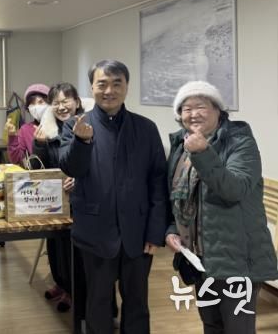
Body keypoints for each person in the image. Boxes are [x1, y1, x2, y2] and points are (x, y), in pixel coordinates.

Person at [59, 60, 168, 334]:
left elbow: (158, 181)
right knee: (97, 303)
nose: (109, 91)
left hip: (138, 233)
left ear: (126, 87)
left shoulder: (146, 128)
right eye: (102, 84)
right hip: (94, 232)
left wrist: (155, 231)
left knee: (137, 303)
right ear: (92, 88)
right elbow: (71, 168)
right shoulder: (75, 125)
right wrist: (82, 142)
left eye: (117, 83)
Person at [165, 81, 278, 334]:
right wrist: (173, 228)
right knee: (212, 324)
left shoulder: (240, 142)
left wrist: (203, 153)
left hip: (236, 259)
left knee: (238, 328)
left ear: (218, 110)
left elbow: (234, 189)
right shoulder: (181, 146)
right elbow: (179, 198)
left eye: (201, 106)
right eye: (186, 109)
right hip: (200, 258)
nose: (193, 114)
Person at [33, 82, 84, 312]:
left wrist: (79, 180)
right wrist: (39, 144)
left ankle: (74, 292)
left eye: (66, 101)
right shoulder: (47, 128)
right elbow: (39, 167)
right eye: (56, 103)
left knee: (75, 251)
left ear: (77, 102)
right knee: (55, 247)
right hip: (55, 200)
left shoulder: (86, 127)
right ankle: (61, 284)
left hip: (81, 202)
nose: (61, 107)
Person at [5, 83, 49, 167]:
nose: (36, 107)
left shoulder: (60, 126)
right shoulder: (25, 130)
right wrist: (12, 137)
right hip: (37, 173)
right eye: (32, 104)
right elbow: (16, 160)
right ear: (28, 109)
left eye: (41, 102)